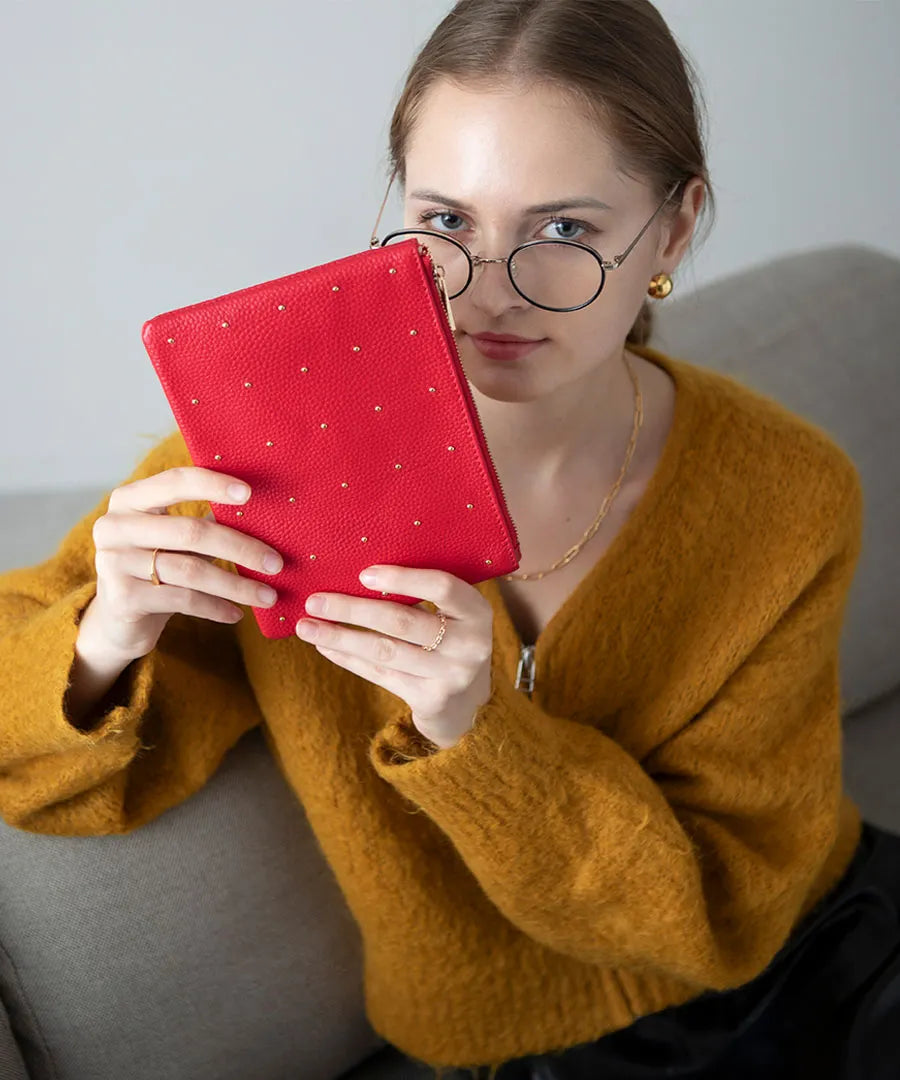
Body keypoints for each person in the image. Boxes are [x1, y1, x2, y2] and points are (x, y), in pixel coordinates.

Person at [2, 2, 898, 1078]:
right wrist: (103, 635)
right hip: (500, 1050)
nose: (484, 291)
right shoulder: (253, 477)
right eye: (448, 221)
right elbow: (41, 778)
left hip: (819, 961)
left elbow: (724, 914)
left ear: (673, 228)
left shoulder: (788, 493)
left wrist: (480, 734)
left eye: (564, 230)